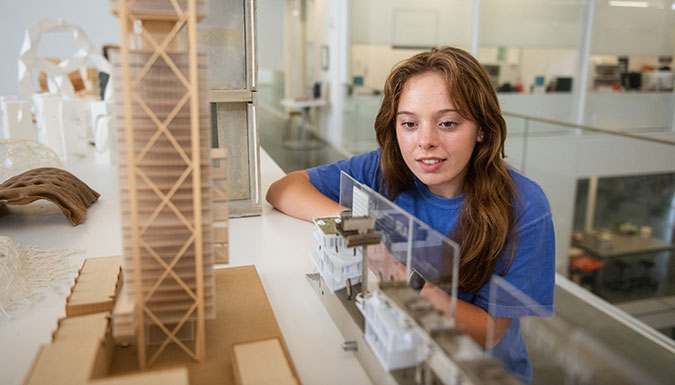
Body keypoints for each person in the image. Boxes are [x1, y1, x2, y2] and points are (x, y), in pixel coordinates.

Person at [266, 46, 554, 383]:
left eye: (448, 123)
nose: (425, 141)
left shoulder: (525, 205)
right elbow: (283, 189)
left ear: (482, 130)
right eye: (409, 124)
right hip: (402, 350)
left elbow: (487, 333)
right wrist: (361, 229)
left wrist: (404, 278)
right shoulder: (384, 167)